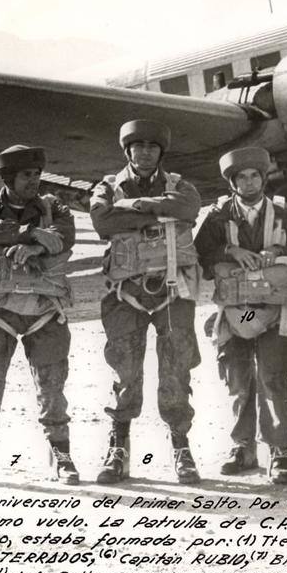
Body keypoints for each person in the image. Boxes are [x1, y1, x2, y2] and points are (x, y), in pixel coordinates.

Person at [0, 145, 79, 487]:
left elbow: (66, 236)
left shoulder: (54, 206)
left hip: (44, 309)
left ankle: (62, 455)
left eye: (37, 174)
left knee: (52, 389)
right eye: (27, 175)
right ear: (8, 178)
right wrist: (32, 233)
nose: (34, 180)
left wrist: (35, 248)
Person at [90, 119, 203, 484]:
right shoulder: (108, 186)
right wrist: (159, 212)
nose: (145, 152)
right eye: (138, 146)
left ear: (161, 152)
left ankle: (181, 447)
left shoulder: (179, 185)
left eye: (152, 147)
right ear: (128, 151)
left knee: (176, 369)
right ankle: (118, 448)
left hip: (172, 292)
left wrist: (136, 205)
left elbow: (189, 208)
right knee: (124, 372)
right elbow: (103, 220)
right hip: (126, 293)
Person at [195, 147, 287, 483]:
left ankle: (279, 449)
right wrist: (230, 250)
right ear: (232, 182)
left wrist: (278, 253)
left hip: (274, 313)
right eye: (241, 177)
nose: (248, 183)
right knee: (238, 381)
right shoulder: (217, 218)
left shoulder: (285, 216)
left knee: (273, 378)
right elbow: (201, 257)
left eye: (254, 176)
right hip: (237, 315)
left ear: (263, 178)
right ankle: (243, 447)